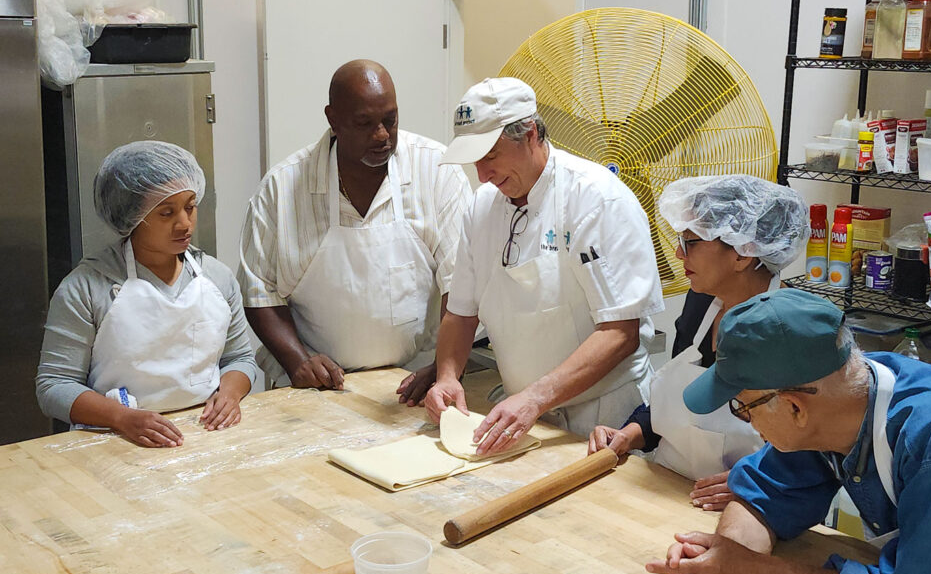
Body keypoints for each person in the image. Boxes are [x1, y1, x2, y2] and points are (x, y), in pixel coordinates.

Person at [645, 289, 931, 574]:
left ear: (795, 407)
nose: (747, 420)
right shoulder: (841, 393)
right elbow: (764, 495)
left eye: (742, 408)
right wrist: (722, 563)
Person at [424, 77, 664, 456]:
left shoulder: (596, 199)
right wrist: (447, 376)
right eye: (475, 162)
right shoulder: (482, 207)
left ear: (531, 133)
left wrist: (535, 398)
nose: (482, 176)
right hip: (523, 415)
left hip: (603, 419)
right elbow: (461, 313)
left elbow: (620, 332)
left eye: (490, 156)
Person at [239, 60, 472, 403]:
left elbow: (463, 281)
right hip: (318, 389)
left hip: (416, 382)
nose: (381, 135)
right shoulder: (283, 188)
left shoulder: (436, 171)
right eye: (364, 123)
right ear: (333, 119)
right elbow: (259, 292)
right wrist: (298, 362)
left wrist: (446, 368)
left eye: (389, 120)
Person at [588, 175, 809, 512]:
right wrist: (629, 434)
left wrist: (759, 482)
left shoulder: (791, 331)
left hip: (746, 511)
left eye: (691, 242)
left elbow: (813, 456)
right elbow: (674, 405)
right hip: (663, 491)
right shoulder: (700, 305)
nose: (678, 253)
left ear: (743, 254)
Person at [36, 141, 257, 447]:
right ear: (131, 216)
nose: (185, 224)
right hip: (114, 440)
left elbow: (240, 358)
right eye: (167, 213)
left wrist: (229, 395)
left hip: (206, 434)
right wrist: (120, 418)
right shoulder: (87, 287)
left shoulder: (216, 278)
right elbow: (54, 386)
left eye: (190, 207)